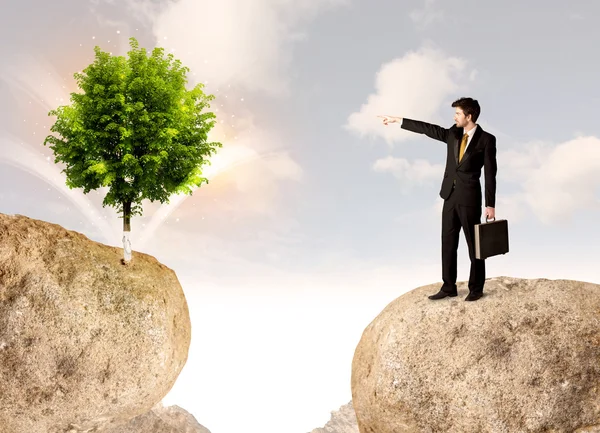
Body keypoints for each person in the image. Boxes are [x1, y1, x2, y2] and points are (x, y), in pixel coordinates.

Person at [378, 97, 497, 301]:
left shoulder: (487, 140)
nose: (454, 116)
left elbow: (490, 174)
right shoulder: (452, 133)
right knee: (448, 242)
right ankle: (448, 286)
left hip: (470, 199)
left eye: (458, 113)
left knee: (474, 245)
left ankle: (476, 288)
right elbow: (428, 128)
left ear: (469, 116)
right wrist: (399, 120)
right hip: (449, 197)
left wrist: (490, 204)